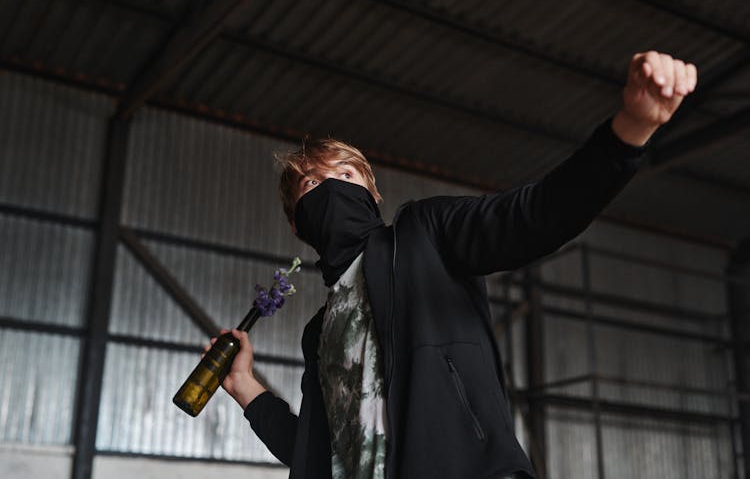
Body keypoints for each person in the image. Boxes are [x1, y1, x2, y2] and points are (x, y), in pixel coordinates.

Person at [206, 51, 698, 478]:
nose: (330, 185)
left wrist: (631, 130)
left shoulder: (424, 235)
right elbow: (316, 454)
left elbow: (533, 217)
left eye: (344, 173)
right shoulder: (318, 334)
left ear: (372, 194)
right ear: (298, 227)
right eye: (311, 185)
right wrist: (245, 385)